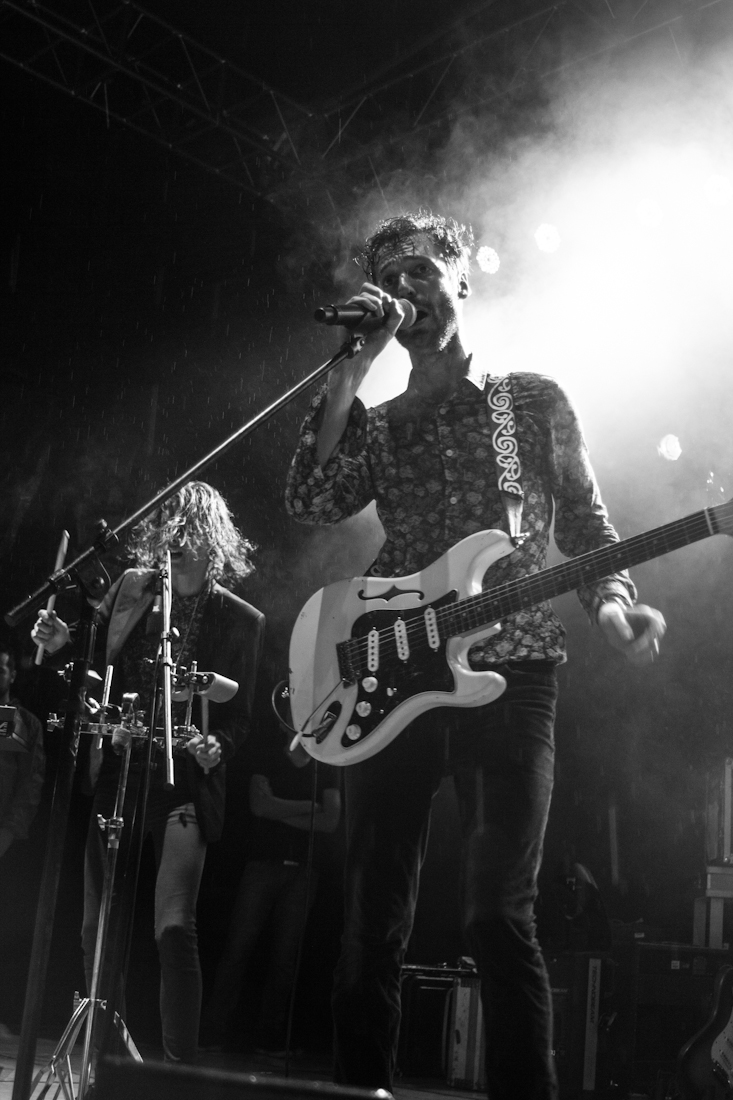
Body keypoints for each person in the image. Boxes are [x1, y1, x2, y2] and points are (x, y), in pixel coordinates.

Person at [284, 211, 666, 1099]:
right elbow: (308, 498)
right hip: (392, 670)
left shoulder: (528, 400)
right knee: (369, 924)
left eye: (419, 271)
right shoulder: (379, 422)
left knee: (497, 916)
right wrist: (346, 373)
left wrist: (613, 605)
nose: (403, 289)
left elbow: (585, 524)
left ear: (461, 279)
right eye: (388, 277)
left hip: (514, 666)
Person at [32, 480, 265, 1064]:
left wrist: (217, 746)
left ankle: (178, 1071)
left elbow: (241, 715)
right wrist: (64, 644)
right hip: (120, 764)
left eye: (189, 532)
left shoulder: (239, 618)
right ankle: (103, 1064)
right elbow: (94, 671)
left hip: (183, 779)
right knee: (96, 927)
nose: (177, 542)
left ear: (213, 541)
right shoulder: (132, 589)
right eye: (170, 530)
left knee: (173, 926)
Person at [201, 687, 340, 1057]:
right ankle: (212, 1033)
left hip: (304, 871)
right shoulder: (266, 754)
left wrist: (282, 807)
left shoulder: (326, 762)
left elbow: (331, 821)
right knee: (237, 949)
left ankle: (269, 1039)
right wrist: (308, 807)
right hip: (262, 864)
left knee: (285, 959)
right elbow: (259, 807)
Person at [0, 645, 46, 1040]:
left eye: (1, 669)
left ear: (12, 674)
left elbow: (31, 783)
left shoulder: (23, 722)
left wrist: (8, 832)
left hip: (6, 840)